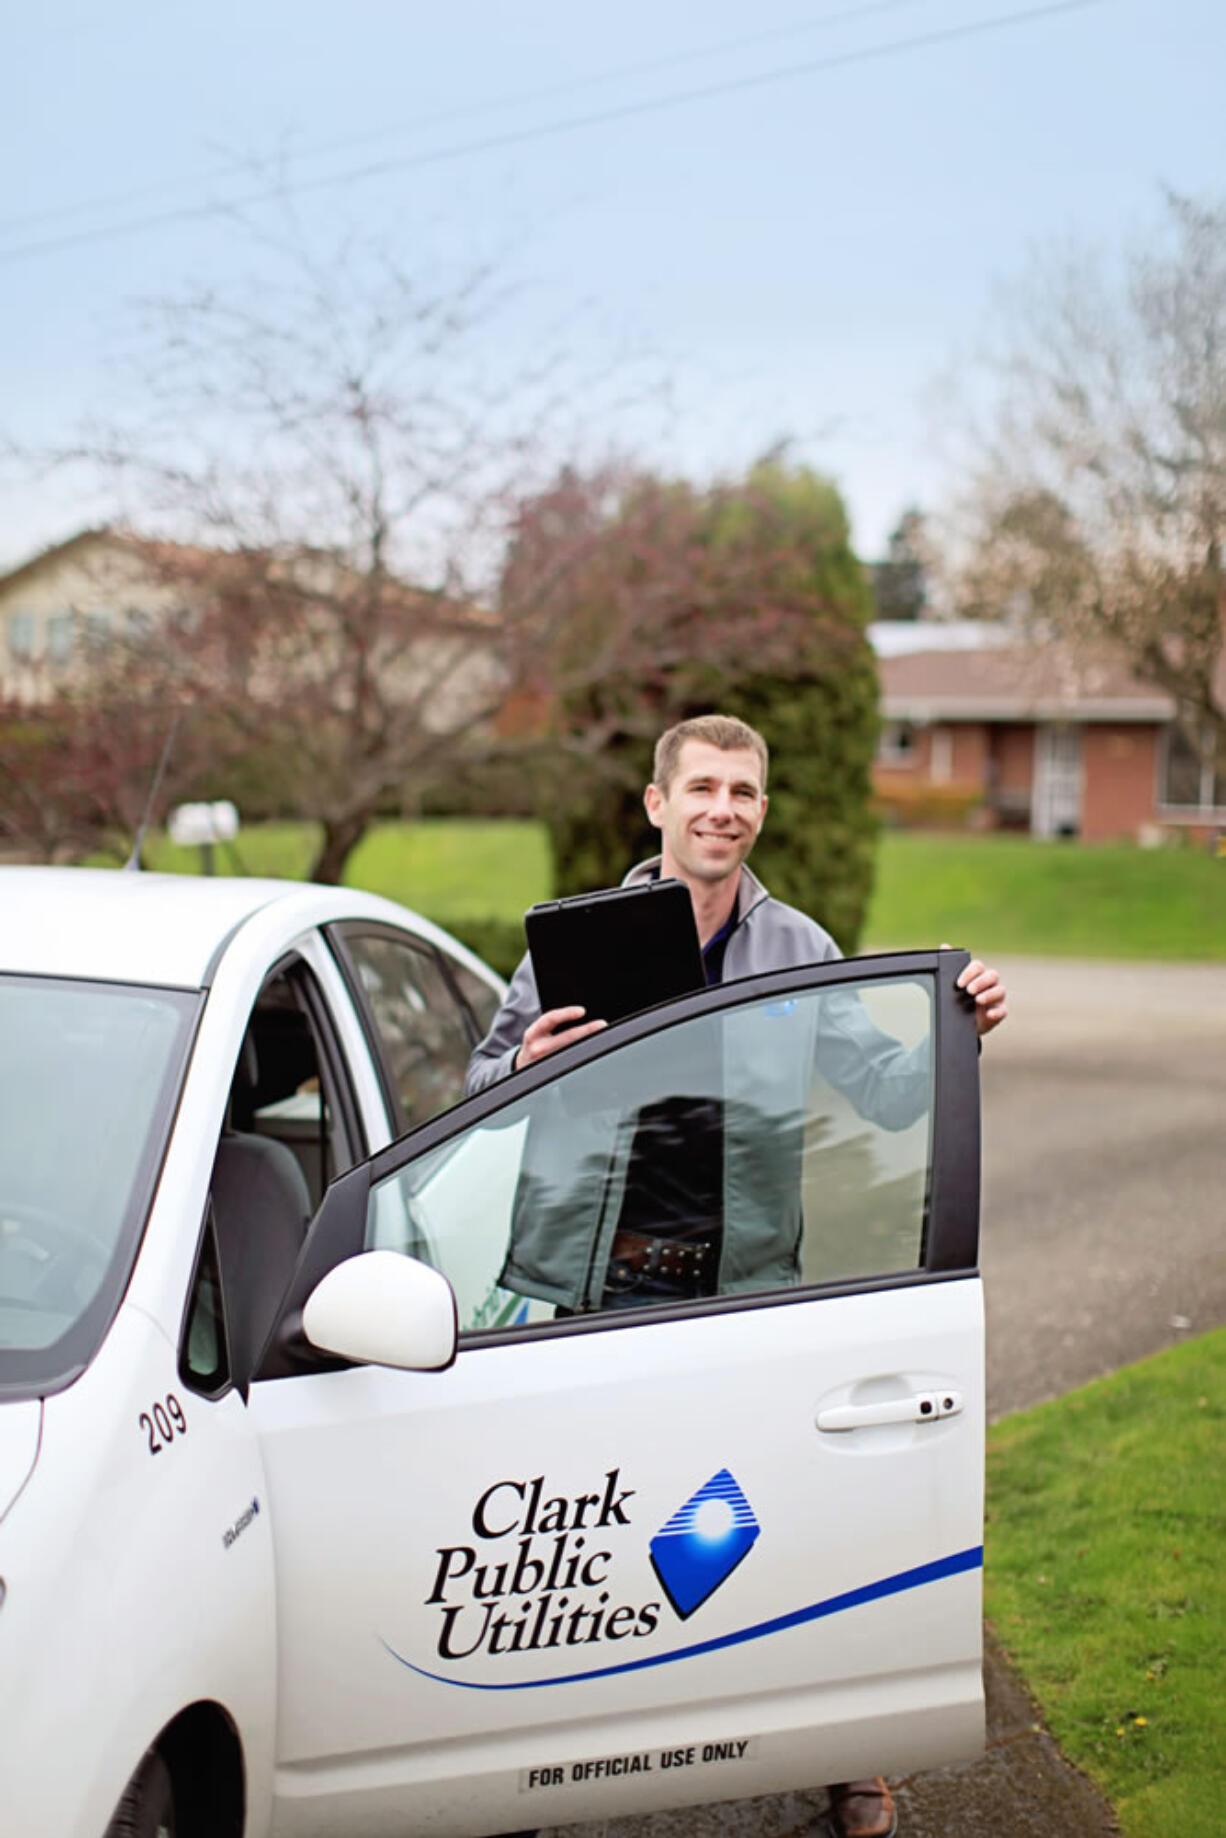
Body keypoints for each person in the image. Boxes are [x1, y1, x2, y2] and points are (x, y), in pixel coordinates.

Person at [466, 713, 1007, 1838]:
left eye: (744, 790)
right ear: (655, 804)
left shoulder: (796, 947)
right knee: (580, 1526)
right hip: (601, 1289)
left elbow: (893, 1093)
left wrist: (959, 1023)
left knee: (774, 1511)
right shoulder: (570, 940)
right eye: (703, 786)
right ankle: (529, 1764)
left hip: (747, 1287)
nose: (724, 807)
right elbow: (476, 1087)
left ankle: (846, 1758)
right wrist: (525, 1062)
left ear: (761, 808)